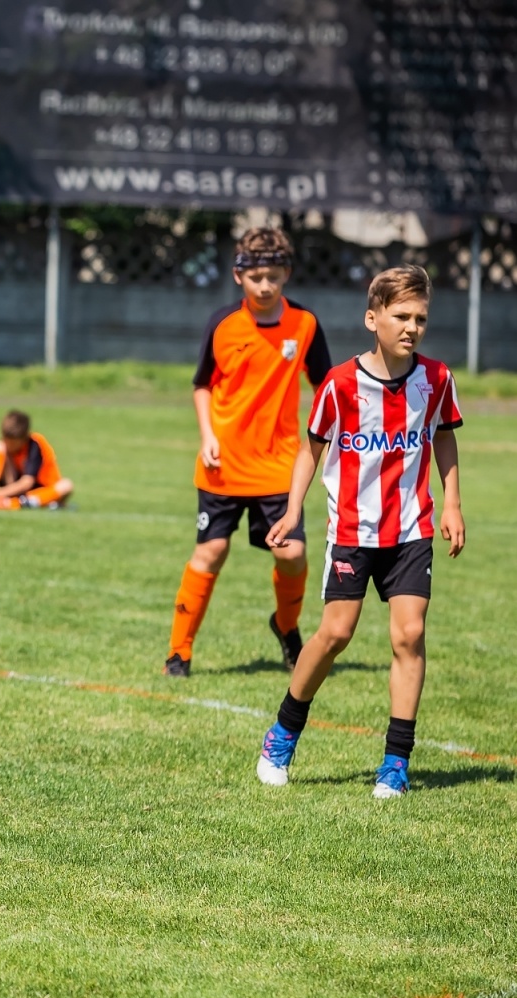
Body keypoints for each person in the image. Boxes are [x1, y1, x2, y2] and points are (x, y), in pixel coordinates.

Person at [256, 264, 464, 799]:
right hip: (352, 528)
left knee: (410, 635)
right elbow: (313, 449)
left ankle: (395, 763)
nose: (411, 327)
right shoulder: (341, 384)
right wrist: (291, 510)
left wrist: (453, 505)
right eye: (400, 316)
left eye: (420, 317)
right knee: (335, 635)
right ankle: (282, 733)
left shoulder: (437, 378)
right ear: (373, 318)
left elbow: (443, 437)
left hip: (412, 526)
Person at [166, 227, 332, 678]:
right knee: (212, 550)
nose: (265, 286)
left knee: (291, 555)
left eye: (273, 277)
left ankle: (286, 626)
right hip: (224, 465)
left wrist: (327, 437)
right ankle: (179, 653)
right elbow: (202, 385)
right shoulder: (222, 324)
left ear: (287, 275)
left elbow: (326, 387)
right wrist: (207, 436)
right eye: (256, 276)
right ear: (238, 275)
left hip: (279, 466)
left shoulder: (305, 324)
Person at [0, 409, 75, 510]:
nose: (8, 444)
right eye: (6, 439)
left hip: (38, 489)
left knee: (66, 486)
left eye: (12, 442)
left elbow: (27, 482)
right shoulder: (3, 446)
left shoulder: (35, 445)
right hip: (12, 489)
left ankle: (12, 503)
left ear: (23, 438)